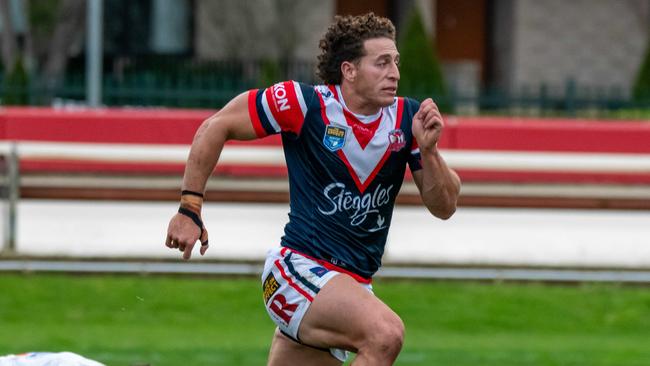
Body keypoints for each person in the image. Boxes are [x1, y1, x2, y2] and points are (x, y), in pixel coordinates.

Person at [166, 12, 461, 366]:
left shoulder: (406, 120)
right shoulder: (305, 104)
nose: (395, 73)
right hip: (297, 271)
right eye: (381, 63)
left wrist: (429, 152)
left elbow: (444, 206)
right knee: (385, 334)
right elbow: (216, 126)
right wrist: (189, 208)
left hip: (350, 287)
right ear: (349, 70)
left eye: (396, 62)